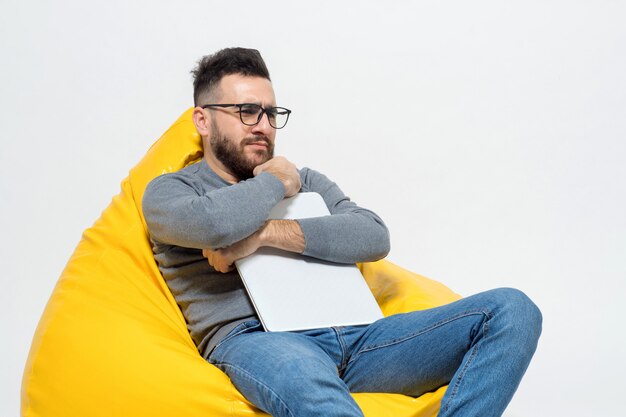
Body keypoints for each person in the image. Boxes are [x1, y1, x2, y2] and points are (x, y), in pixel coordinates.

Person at [142, 47, 542, 417]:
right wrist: (277, 183)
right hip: (259, 341)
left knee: (513, 309)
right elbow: (214, 224)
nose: (263, 126)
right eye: (247, 111)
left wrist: (262, 235)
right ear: (203, 119)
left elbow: (372, 236)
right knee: (307, 380)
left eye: (270, 113)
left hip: (360, 337)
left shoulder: (308, 180)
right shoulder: (172, 191)